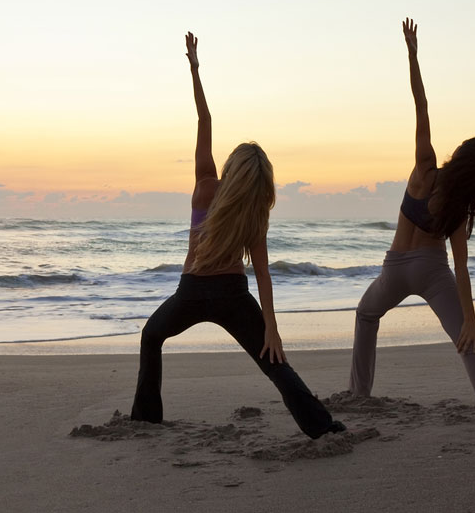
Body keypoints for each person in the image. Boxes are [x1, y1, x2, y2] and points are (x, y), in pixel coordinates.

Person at [129, 32, 346, 438]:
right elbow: (263, 274)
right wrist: (272, 328)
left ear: (232, 168)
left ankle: (145, 421)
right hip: (232, 294)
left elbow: (204, 120)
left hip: (190, 292)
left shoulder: (205, 186)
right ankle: (322, 426)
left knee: (151, 336)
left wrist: (195, 69)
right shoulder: (255, 213)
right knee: (273, 361)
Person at [347, 19, 475, 420]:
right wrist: (472, 322)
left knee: (365, 314)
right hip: (432, 271)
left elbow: (421, 105)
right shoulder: (458, 207)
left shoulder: (425, 168)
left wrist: (413, 55)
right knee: (467, 341)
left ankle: (359, 394)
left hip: (394, 269)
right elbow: (461, 268)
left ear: (458, 156)